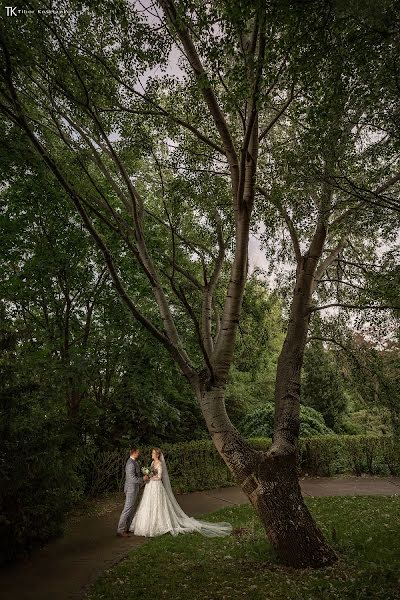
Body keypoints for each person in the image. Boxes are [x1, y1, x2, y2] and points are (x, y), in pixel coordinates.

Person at [130, 447, 232, 538]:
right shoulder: (152, 463)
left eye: (153, 453)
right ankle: (147, 524)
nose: (151, 454)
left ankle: (159, 524)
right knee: (149, 504)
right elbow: (152, 473)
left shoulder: (159, 464)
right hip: (150, 486)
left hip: (156, 486)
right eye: (151, 453)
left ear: (157, 455)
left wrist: (150, 476)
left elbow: (160, 477)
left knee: (158, 505)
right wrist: (149, 475)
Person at [116, 446, 149, 538]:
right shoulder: (130, 463)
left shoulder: (134, 462)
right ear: (134, 453)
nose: (139, 453)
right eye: (138, 452)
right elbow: (132, 478)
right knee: (127, 509)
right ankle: (120, 530)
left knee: (131, 509)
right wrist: (143, 479)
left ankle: (127, 528)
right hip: (131, 489)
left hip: (134, 488)